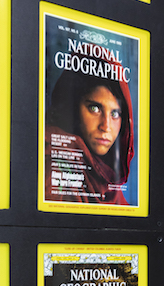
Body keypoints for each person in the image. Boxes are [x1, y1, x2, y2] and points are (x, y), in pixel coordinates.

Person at [45, 58, 134, 205]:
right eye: (95, 108)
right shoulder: (53, 165)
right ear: (72, 107)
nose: (106, 126)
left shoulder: (110, 180)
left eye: (115, 114)